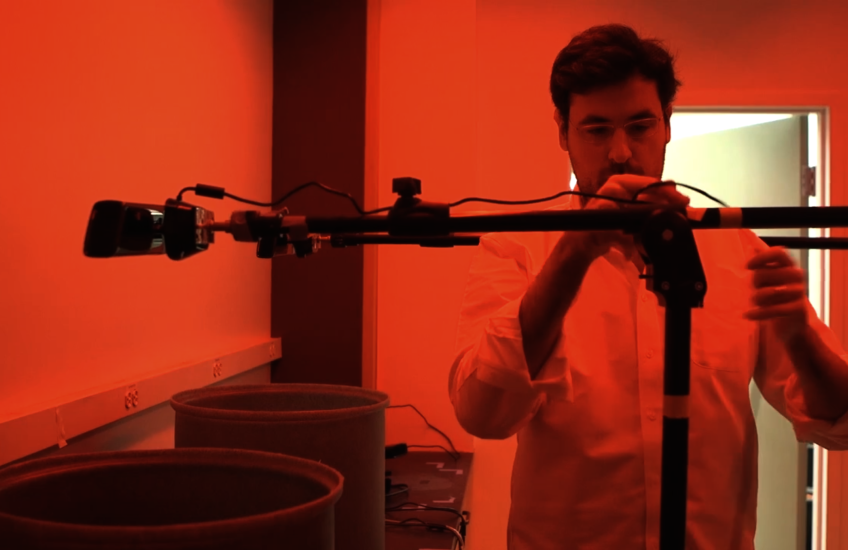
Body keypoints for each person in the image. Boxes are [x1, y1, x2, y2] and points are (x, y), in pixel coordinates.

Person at [448, 24, 848, 550]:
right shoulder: (519, 249)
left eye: (639, 126)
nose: (620, 152)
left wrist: (802, 339)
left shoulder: (738, 250)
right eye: (596, 130)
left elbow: (839, 424)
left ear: (667, 127)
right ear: (562, 131)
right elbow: (482, 412)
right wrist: (575, 253)